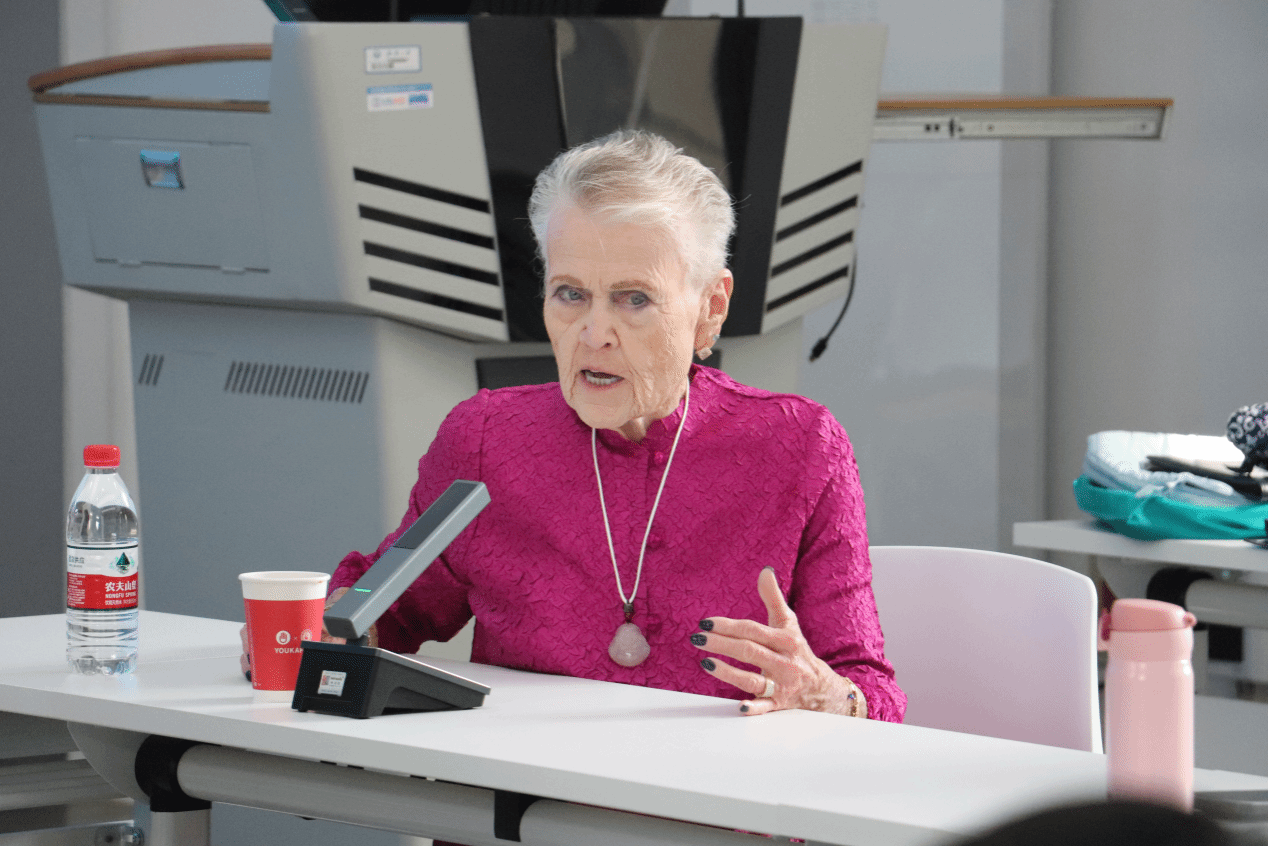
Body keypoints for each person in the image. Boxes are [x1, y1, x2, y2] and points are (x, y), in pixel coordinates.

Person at [241, 130, 905, 722]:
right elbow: (391, 613)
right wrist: (320, 630)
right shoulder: (486, 439)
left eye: (633, 299)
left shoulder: (801, 447)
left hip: (716, 803)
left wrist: (821, 692)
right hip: (525, 800)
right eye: (571, 294)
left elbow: (874, 696)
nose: (594, 333)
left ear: (710, 307)